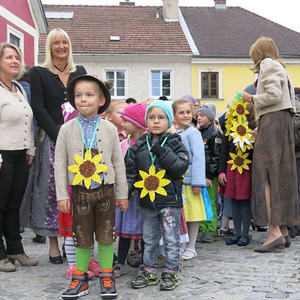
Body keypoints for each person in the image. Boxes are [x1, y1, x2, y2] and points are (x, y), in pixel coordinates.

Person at [55, 74, 128, 299]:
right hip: (79, 192)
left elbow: (118, 162)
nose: (83, 99)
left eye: (89, 95)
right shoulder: (66, 129)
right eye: (78, 95)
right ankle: (80, 277)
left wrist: (122, 193)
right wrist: (61, 195)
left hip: (105, 191)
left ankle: (107, 275)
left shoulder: (109, 129)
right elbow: (59, 163)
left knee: (107, 235)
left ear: (101, 100)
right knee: (81, 234)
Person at [25, 28, 87, 263]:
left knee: (78, 189)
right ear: (49, 47)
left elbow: (86, 100)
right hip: (52, 140)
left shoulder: (79, 71)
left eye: (65, 42)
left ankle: (73, 239)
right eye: (56, 43)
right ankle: (53, 243)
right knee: (53, 191)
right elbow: (38, 109)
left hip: (80, 140)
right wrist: (60, 133)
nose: (61, 47)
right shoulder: (39, 73)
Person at [242, 36, 299, 252]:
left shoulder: (268, 65)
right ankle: (283, 231)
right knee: (279, 176)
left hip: (274, 122)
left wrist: (252, 99)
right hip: (281, 122)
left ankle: (274, 231)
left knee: (264, 176)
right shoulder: (280, 67)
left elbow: (273, 96)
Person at [126, 100, 189, 291]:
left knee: (171, 238)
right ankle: (149, 271)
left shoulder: (174, 142)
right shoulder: (139, 144)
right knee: (150, 238)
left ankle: (171, 271)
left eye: (161, 117)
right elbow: (130, 170)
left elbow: (179, 168)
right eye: (151, 117)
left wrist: (162, 151)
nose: (155, 121)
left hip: (169, 201)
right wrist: (125, 192)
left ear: (169, 120)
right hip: (148, 201)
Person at [0, 42, 38, 272]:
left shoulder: (20, 88)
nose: (15, 61)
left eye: (17, 57)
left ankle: (15, 249)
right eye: (9, 57)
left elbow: (28, 121)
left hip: (21, 155)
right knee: (0, 206)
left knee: (14, 205)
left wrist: (31, 149)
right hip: (2, 156)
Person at [114, 102, 147, 277]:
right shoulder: (123, 144)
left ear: (136, 123)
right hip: (127, 193)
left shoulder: (148, 144)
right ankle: (120, 262)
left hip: (142, 193)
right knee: (124, 229)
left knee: (144, 229)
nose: (122, 124)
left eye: (126, 121)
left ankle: (144, 261)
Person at [218, 97, 256, 247]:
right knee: (233, 201)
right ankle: (237, 233)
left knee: (245, 202)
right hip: (231, 169)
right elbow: (223, 152)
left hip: (246, 170)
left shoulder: (252, 129)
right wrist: (221, 172)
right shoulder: (229, 130)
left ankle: (245, 234)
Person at [172, 98, 206, 260]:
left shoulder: (193, 133)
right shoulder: (176, 133)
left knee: (193, 215)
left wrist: (197, 181)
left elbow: (199, 157)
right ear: (175, 116)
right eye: (181, 113)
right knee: (183, 215)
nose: (185, 115)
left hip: (191, 182)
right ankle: (182, 245)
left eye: (188, 112)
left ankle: (191, 246)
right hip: (179, 182)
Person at [196, 103, 222, 242]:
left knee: (210, 201)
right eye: (198, 115)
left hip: (208, 176)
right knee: (200, 201)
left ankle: (211, 229)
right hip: (199, 174)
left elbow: (215, 157)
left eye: (202, 115)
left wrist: (210, 176)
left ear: (210, 117)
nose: (199, 118)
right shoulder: (198, 132)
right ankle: (202, 227)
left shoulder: (214, 133)